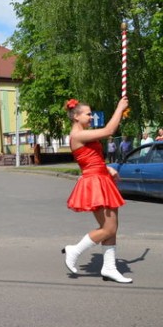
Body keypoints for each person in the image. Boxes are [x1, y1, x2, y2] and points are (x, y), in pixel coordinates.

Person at [61, 97, 133, 283]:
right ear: (76, 116)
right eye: (88, 114)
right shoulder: (77, 135)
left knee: (110, 228)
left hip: (101, 178)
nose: (91, 117)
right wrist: (119, 108)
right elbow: (109, 131)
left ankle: (109, 268)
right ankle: (74, 250)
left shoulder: (85, 133)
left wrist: (107, 168)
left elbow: (90, 158)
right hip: (94, 183)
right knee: (109, 228)